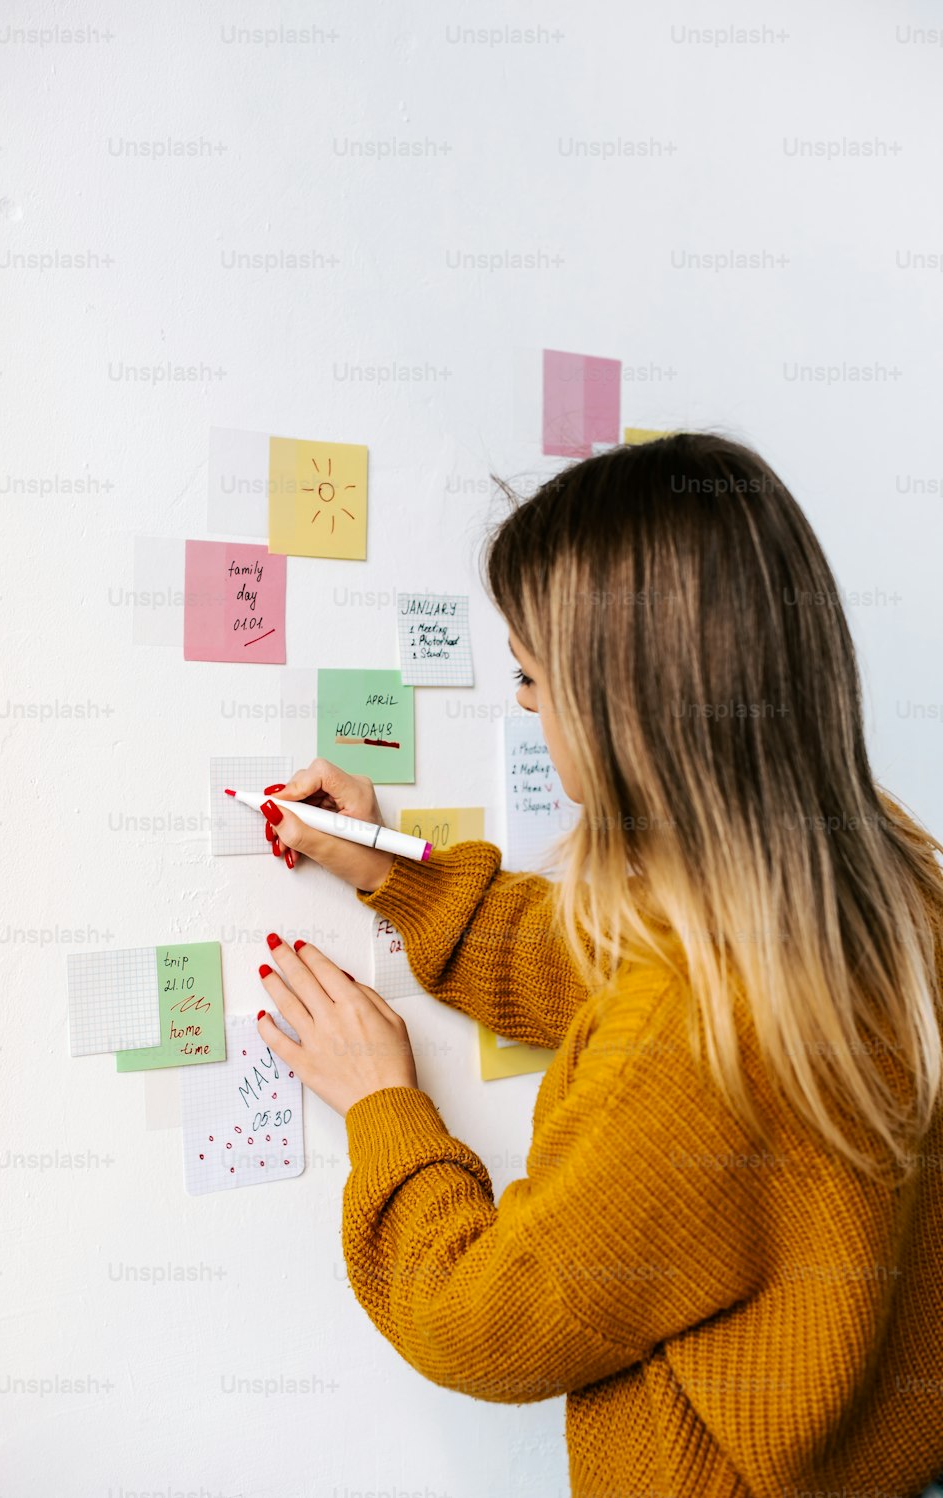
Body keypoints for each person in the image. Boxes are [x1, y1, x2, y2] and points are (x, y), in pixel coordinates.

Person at [254, 431, 943, 1498]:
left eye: (531, 674)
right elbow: (599, 961)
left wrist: (383, 1108)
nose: (523, 705)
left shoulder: (684, 1030)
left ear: (628, 701)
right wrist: (397, 872)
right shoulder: (889, 883)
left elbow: (483, 1319)